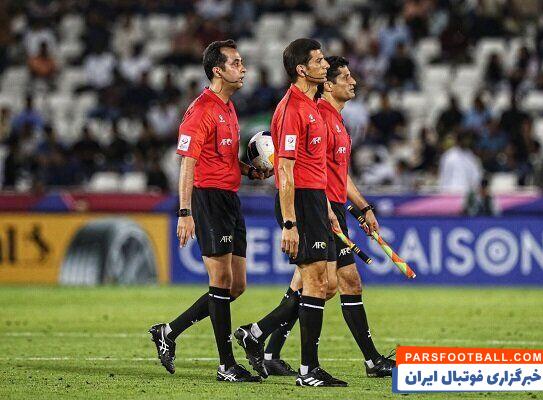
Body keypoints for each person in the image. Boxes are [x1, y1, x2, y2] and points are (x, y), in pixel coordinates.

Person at [262, 56, 396, 379]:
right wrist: (326, 210)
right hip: (319, 206)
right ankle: (261, 337)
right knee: (323, 284)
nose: (353, 81)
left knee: (329, 283)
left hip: (332, 206)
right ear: (329, 85)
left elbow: (339, 174)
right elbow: (309, 171)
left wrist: (363, 207)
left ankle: (267, 347)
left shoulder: (336, 120)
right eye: (345, 77)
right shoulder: (319, 115)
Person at [148, 39, 267, 383]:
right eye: (236, 63)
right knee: (220, 281)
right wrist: (185, 212)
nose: (243, 68)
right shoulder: (200, 110)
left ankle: (168, 331)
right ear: (218, 70)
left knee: (236, 285)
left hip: (230, 197)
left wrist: (249, 170)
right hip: (207, 198)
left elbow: (224, 158)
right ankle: (227, 365)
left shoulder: (228, 107)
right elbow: (188, 162)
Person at [233, 38, 348, 387]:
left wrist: (326, 208)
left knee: (325, 284)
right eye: (319, 60)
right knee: (315, 282)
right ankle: (308, 370)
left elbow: (315, 167)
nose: (325, 65)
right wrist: (289, 223)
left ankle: (257, 333)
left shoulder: (312, 105)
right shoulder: (291, 109)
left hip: (315, 201)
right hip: (298, 203)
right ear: (301, 69)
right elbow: (284, 169)